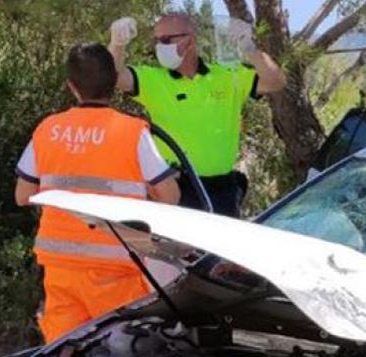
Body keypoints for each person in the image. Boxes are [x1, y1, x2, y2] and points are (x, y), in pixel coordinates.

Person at [15, 43, 180, 343]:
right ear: (114, 81)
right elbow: (170, 196)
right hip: (117, 268)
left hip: (60, 269)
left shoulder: (48, 129)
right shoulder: (132, 131)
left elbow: (23, 194)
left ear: (71, 86)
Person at [108, 12, 287, 217]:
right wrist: (117, 44)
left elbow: (276, 82)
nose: (160, 46)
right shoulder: (152, 79)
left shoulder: (228, 76)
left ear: (190, 40)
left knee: (219, 249)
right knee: (178, 249)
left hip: (223, 192)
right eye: (157, 41)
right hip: (177, 190)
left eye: (166, 40)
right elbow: (112, 77)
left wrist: (250, 49)